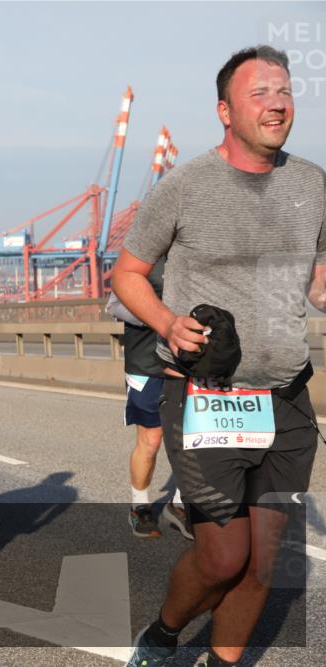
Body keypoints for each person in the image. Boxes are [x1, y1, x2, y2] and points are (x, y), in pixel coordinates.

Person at [114, 46, 324, 667]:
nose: (278, 102)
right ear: (225, 111)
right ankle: (163, 634)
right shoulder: (184, 186)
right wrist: (165, 322)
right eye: (259, 93)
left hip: (285, 398)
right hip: (207, 399)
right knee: (223, 557)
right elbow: (128, 274)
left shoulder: (313, 185)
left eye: (284, 91)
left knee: (263, 563)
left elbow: (316, 282)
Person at [107, 259, 193, 540]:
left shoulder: (194, 254)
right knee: (151, 440)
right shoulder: (141, 257)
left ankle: (179, 504)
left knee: (192, 438)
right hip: (146, 363)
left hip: (188, 363)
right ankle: (139, 506)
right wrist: (158, 316)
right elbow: (114, 305)